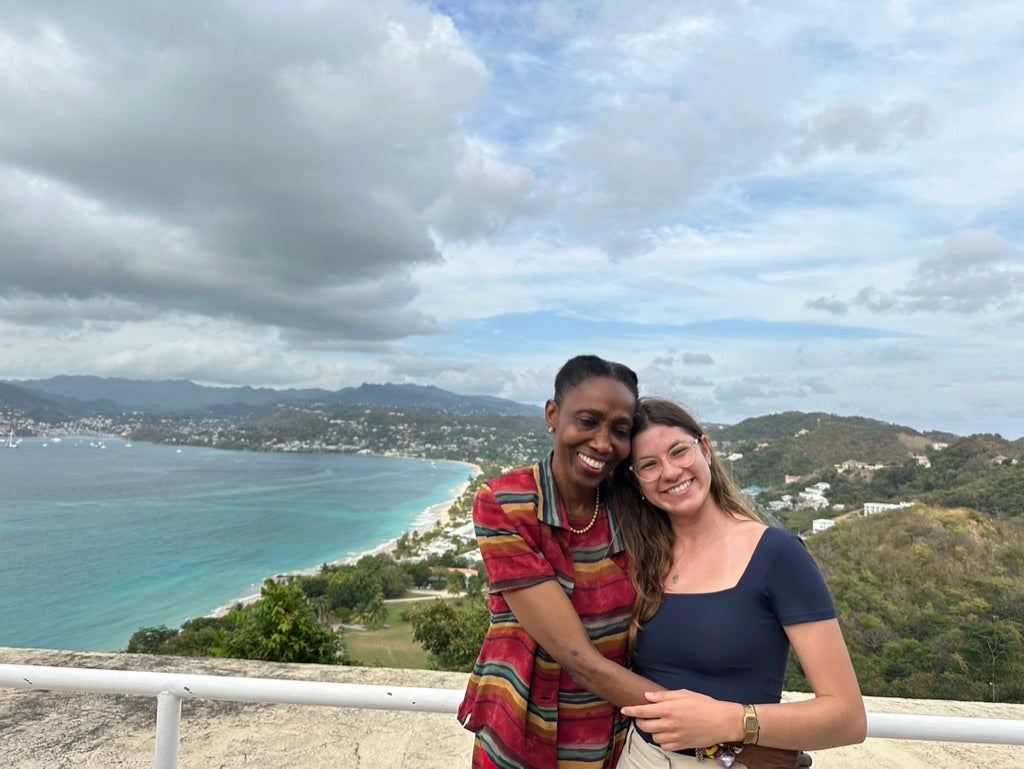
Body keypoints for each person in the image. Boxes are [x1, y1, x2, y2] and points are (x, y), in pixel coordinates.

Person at [612, 397, 866, 768]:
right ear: (636, 483)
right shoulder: (643, 558)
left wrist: (729, 721)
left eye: (679, 451)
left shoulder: (776, 555)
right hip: (640, 758)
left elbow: (848, 718)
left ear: (706, 449)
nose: (669, 472)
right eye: (649, 465)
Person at [458, 355, 664, 769]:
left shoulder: (634, 508)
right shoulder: (506, 503)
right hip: (519, 737)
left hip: (612, 738)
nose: (603, 443)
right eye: (587, 421)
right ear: (553, 414)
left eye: (619, 431)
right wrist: (722, 735)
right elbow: (577, 657)